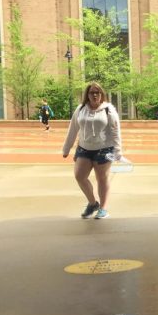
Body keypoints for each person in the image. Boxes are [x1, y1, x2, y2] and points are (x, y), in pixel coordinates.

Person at [61, 82, 122, 219]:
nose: (95, 95)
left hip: (104, 150)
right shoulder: (81, 109)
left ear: (101, 94)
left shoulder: (109, 109)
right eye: (92, 92)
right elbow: (73, 128)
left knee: (102, 179)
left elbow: (115, 131)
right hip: (84, 149)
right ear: (87, 95)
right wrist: (67, 148)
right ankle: (92, 203)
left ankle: (103, 208)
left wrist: (118, 152)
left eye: (97, 92)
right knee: (79, 176)